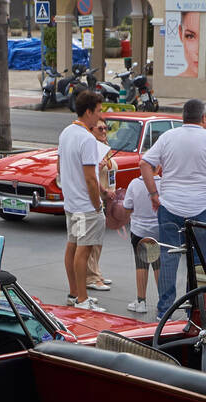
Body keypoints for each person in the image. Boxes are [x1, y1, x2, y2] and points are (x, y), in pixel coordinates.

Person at [139, 98, 206, 319]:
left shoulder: (168, 137)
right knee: (199, 261)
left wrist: (154, 194)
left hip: (170, 206)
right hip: (202, 208)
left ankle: (164, 310)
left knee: (168, 257)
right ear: (204, 118)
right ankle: (196, 309)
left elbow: (145, 164)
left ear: (183, 117)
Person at [58, 90, 109, 311]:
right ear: (88, 111)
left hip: (72, 204)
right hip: (86, 206)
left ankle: (75, 293)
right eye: (98, 111)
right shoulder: (87, 139)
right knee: (83, 250)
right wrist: (98, 204)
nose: (99, 116)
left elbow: (60, 169)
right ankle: (82, 299)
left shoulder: (66, 132)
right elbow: (90, 177)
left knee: (73, 246)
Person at [116, 166, 161, 314]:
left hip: (139, 230)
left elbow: (127, 207)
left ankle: (141, 301)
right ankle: (163, 302)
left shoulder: (134, 184)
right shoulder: (164, 183)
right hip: (158, 230)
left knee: (141, 265)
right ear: (159, 167)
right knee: (158, 265)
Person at [85, 119, 117, 292]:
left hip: (104, 199)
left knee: (98, 241)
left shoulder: (105, 147)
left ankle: (96, 272)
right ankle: (90, 277)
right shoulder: (92, 149)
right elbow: (90, 176)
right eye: (100, 128)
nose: (104, 130)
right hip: (94, 199)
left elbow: (111, 172)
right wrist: (104, 190)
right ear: (92, 130)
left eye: (106, 127)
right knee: (91, 240)